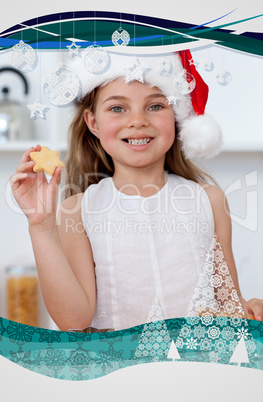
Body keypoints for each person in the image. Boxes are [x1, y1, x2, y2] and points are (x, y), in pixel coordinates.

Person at [10, 49, 263, 332]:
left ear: (177, 116)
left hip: (196, 368)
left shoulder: (209, 201)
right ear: (93, 123)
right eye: (118, 108)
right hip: (118, 372)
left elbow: (228, 305)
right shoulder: (80, 210)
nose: (138, 121)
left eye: (155, 106)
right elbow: (73, 320)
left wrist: (249, 308)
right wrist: (41, 228)